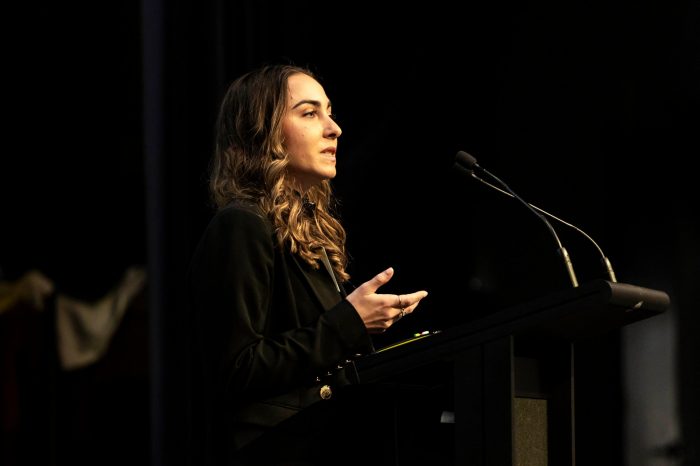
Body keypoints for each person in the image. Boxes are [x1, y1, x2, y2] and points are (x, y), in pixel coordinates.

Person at [188, 63, 429, 466]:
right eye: (310, 113)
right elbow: (236, 369)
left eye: (329, 112)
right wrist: (350, 322)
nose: (334, 129)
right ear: (262, 132)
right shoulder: (241, 224)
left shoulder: (306, 233)